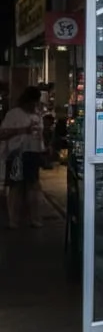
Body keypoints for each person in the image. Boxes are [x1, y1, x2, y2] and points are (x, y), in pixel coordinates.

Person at [0, 86, 45, 229]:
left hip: (33, 152)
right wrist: (22, 131)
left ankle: (34, 218)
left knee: (33, 185)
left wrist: (43, 148)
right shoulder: (13, 114)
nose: (34, 105)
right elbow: (3, 133)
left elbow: (40, 134)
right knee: (16, 186)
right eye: (33, 102)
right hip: (16, 153)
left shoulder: (37, 114)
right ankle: (14, 220)